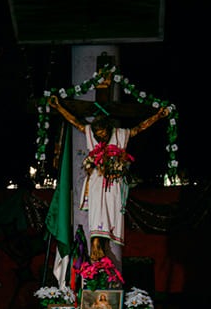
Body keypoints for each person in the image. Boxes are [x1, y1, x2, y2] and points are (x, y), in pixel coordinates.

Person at [49, 95, 170, 249]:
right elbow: (75, 121)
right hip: (97, 179)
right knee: (97, 211)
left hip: (114, 180)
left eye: (103, 134)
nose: (101, 137)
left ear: (108, 129)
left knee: (112, 211)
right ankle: (96, 244)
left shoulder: (120, 135)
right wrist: (59, 107)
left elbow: (140, 128)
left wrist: (158, 116)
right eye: (98, 135)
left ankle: (103, 244)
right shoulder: (90, 134)